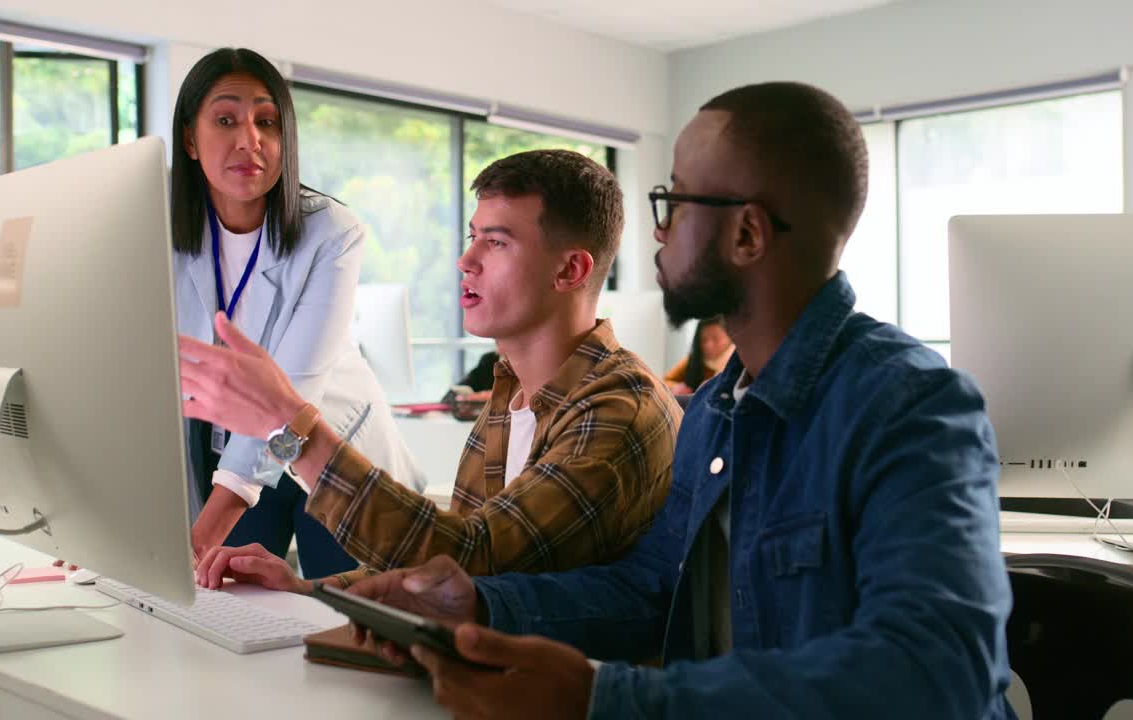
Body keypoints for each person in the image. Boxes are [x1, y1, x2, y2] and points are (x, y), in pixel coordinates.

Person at [344, 82, 1016, 720]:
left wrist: (607, 701)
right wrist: (480, 605)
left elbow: (937, 674)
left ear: (747, 235)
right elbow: (652, 590)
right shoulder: (718, 409)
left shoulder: (908, 404)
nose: (659, 232)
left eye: (677, 203)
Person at [181, 149, 682, 587]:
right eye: (472, 237)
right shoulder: (510, 395)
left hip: (552, 686)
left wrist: (289, 423)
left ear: (570, 270)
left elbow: (474, 563)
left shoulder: (618, 411)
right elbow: (444, 573)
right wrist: (306, 591)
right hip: (475, 667)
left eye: (498, 242)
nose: (465, 260)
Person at [171, 47, 421, 580]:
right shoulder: (165, 236)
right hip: (230, 457)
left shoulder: (331, 232)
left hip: (325, 448)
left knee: (344, 625)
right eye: (225, 119)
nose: (250, 140)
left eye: (267, 121)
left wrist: (197, 538)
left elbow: (293, 397)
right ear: (190, 140)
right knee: (227, 612)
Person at [664, 315, 732, 394]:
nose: (708, 345)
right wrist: (676, 387)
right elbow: (664, 381)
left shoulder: (736, 362)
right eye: (704, 339)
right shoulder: (693, 360)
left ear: (730, 337)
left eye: (715, 338)